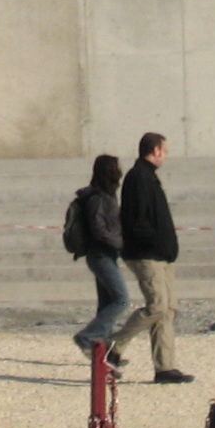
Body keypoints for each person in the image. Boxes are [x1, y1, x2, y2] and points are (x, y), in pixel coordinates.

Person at [110, 131, 191, 383]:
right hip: (146, 254)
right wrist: (155, 243)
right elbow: (136, 221)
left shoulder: (149, 178)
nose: (166, 156)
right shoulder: (138, 178)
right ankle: (113, 348)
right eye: (164, 151)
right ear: (155, 151)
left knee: (168, 309)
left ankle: (165, 367)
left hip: (161, 256)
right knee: (156, 306)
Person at [70, 153, 129, 361]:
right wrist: (121, 243)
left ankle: (101, 350)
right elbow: (99, 230)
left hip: (107, 254)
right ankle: (88, 336)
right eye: (115, 168)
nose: (119, 173)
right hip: (100, 254)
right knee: (121, 300)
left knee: (107, 304)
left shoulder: (107, 195)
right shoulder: (97, 198)